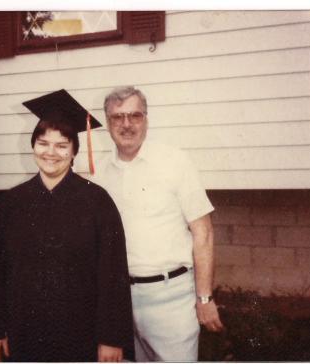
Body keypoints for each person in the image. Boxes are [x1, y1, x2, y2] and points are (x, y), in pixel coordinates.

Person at [0, 89, 134, 362]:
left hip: (80, 334)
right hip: (22, 332)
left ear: (74, 151)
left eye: (62, 145)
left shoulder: (97, 202)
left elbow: (113, 274)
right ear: (33, 146)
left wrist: (111, 338)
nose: (51, 152)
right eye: (43, 143)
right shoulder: (10, 204)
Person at [91, 86, 224, 361]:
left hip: (170, 300)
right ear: (107, 123)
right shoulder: (99, 173)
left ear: (146, 120)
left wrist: (204, 298)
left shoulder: (175, 161)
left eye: (135, 115)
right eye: (117, 117)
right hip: (120, 301)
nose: (126, 124)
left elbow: (204, 233)